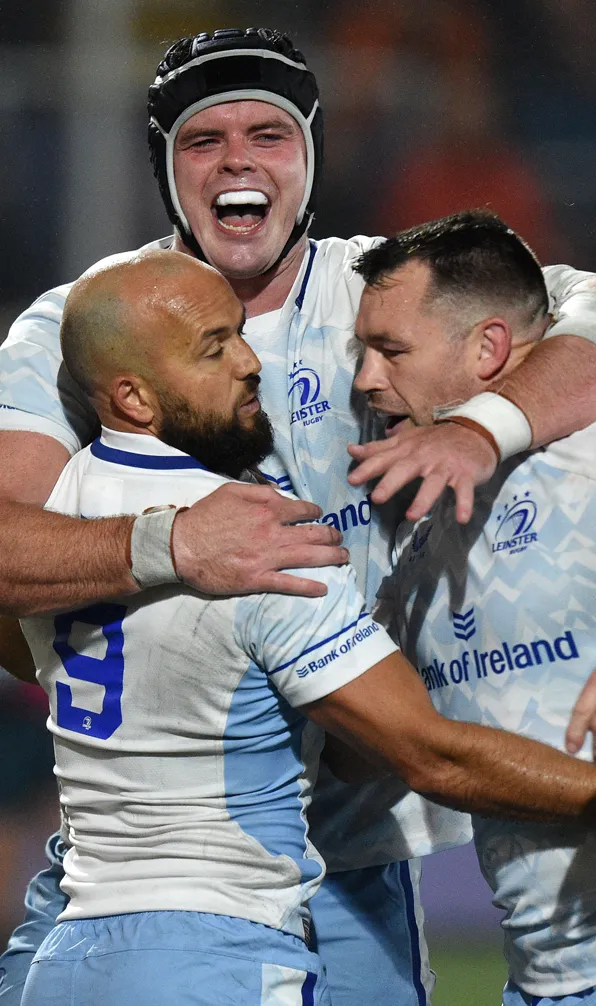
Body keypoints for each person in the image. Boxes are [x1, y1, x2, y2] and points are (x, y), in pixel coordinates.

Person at [2, 26, 596, 1006]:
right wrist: (167, 546)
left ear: (311, 157)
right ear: (163, 164)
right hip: (140, 858)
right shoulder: (94, 320)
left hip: (342, 858)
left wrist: (480, 430)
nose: (238, 159)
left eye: (268, 133)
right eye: (204, 139)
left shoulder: (392, 292)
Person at [352, 209, 596, 1006]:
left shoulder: (585, 453)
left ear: (489, 347)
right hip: (543, 980)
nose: (365, 379)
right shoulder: (410, 533)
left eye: (390, 351)